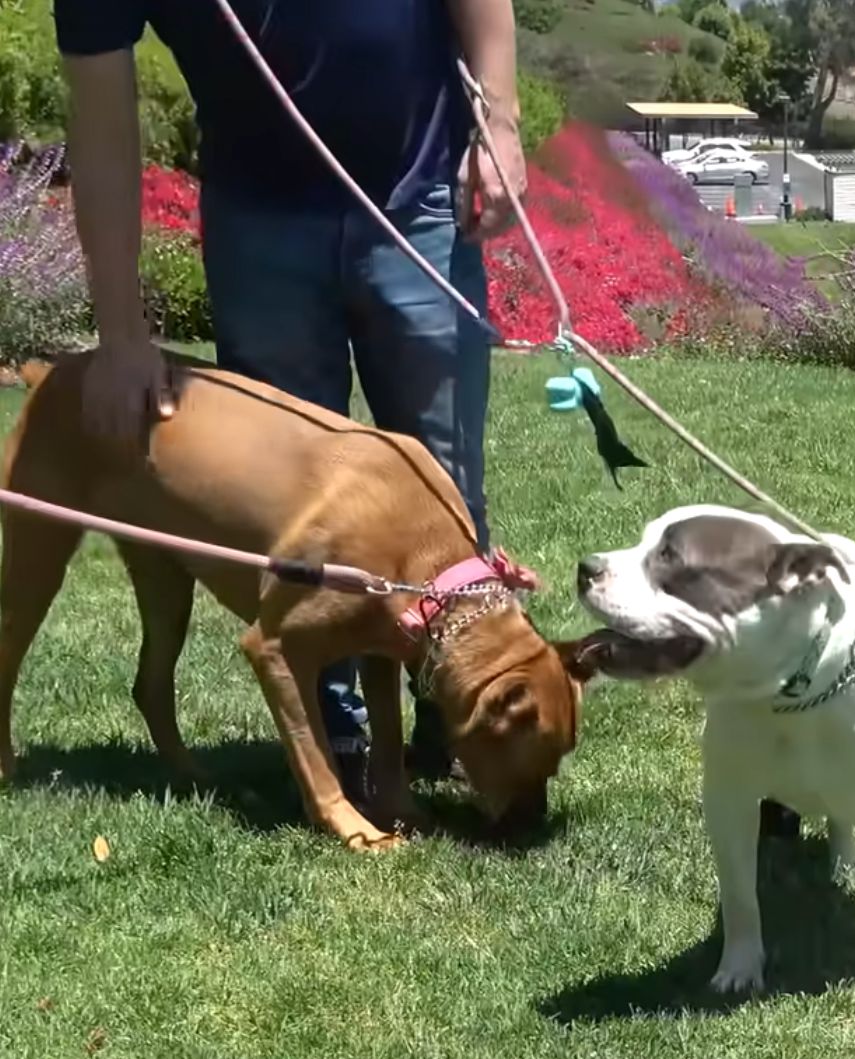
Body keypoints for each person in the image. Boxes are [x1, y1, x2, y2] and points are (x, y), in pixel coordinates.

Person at [53, 0, 527, 797]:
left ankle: (458, 711)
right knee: (292, 511)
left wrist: (501, 121)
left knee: (446, 490)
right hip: (257, 226)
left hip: (417, 203)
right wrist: (121, 333)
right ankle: (333, 730)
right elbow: (100, 120)